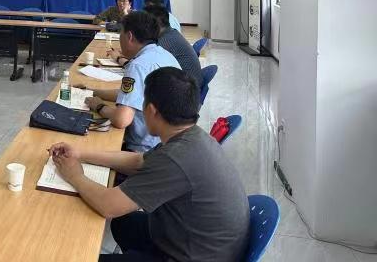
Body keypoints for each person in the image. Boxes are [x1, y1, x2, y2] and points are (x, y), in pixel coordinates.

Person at [48, 67, 249, 261]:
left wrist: (74, 175)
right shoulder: (191, 136)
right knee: (123, 223)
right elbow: (138, 161)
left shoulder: (176, 158)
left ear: (151, 110)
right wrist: (80, 153)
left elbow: (108, 206)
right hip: (199, 243)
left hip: (190, 255)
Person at [79, 11, 180, 152]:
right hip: (168, 145)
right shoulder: (164, 55)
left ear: (129, 36)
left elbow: (121, 120)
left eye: (120, 33)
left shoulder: (137, 65)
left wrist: (99, 106)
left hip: (144, 150)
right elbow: (133, 95)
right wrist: (93, 91)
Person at [145, 3, 202, 88]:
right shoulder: (171, 33)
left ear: (156, 24)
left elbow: (146, 65)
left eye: (145, 23)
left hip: (185, 90)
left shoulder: (165, 41)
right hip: (188, 85)